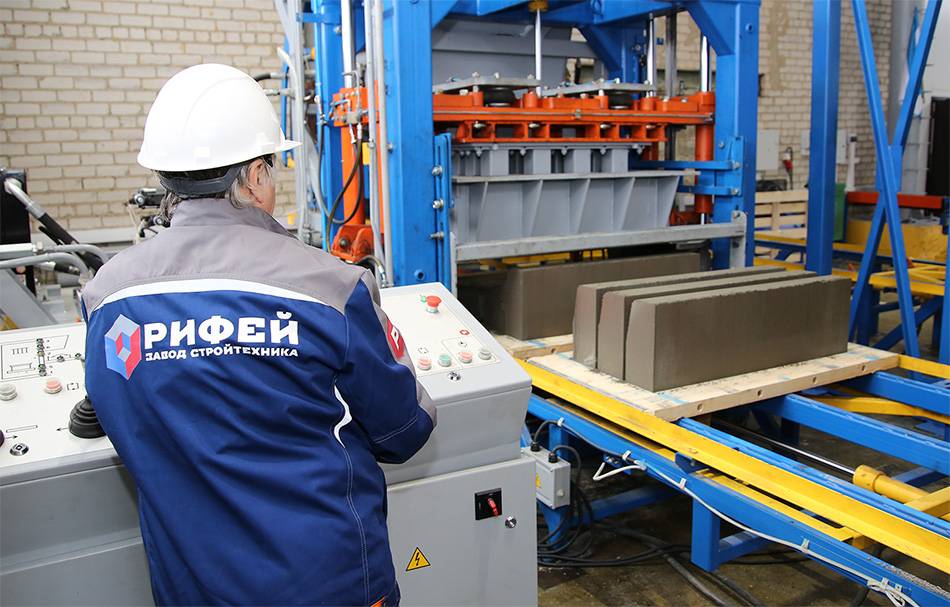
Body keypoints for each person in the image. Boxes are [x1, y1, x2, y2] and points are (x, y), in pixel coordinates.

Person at [81, 63, 435, 606]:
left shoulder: (106, 297)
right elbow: (404, 431)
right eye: (270, 167)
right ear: (253, 176)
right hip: (326, 585)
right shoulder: (332, 289)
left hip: (192, 589)